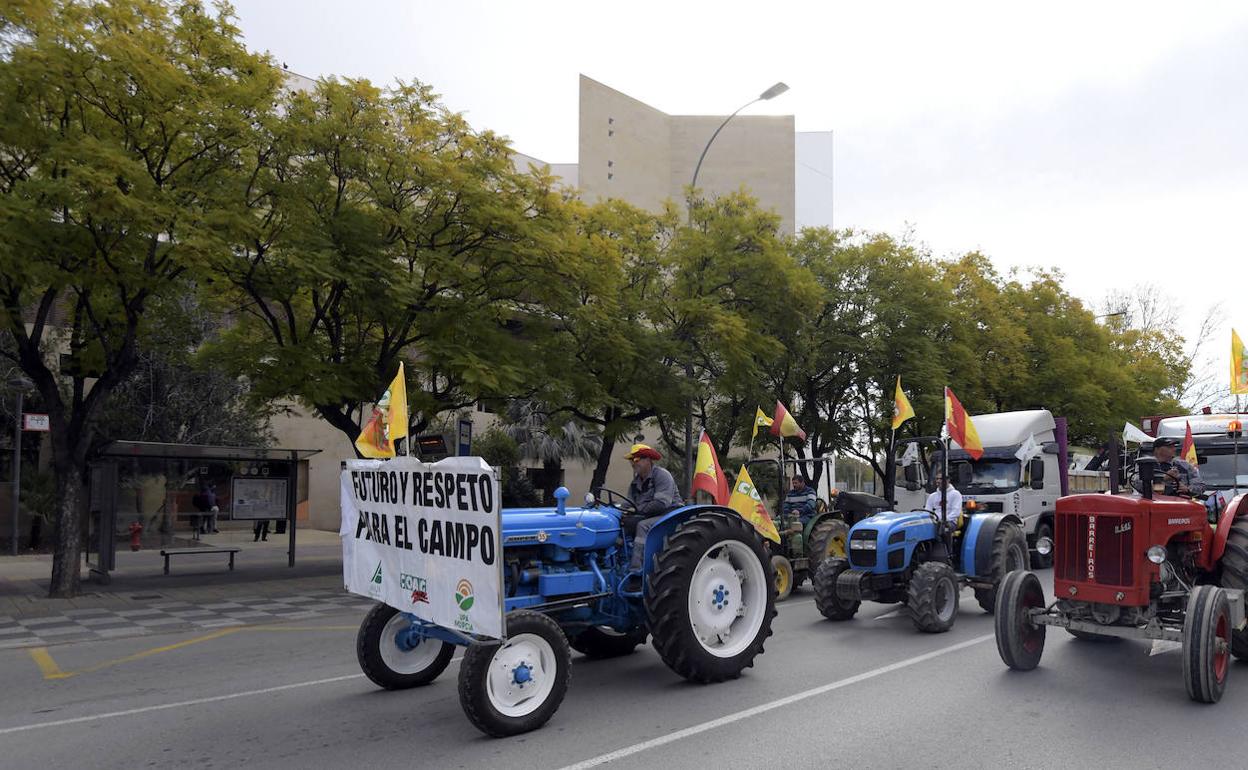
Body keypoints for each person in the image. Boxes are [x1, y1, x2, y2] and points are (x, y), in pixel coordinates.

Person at [624, 443, 681, 572]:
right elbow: (627, 504)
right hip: (650, 515)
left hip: (670, 515)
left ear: (648, 460)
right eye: (631, 460)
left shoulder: (662, 475)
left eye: (637, 459)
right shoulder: (635, 483)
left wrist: (637, 510)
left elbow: (661, 503)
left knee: (643, 526)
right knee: (621, 525)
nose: (633, 463)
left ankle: (636, 571)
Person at [1136, 436, 1205, 497]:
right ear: (1157, 449)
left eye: (1174, 447)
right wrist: (1164, 478)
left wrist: (1187, 489)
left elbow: (1201, 486)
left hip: (1181, 505)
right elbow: (1138, 486)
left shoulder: (1184, 465)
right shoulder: (1146, 465)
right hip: (1155, 505)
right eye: (1169, 447)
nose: (1174, 449)